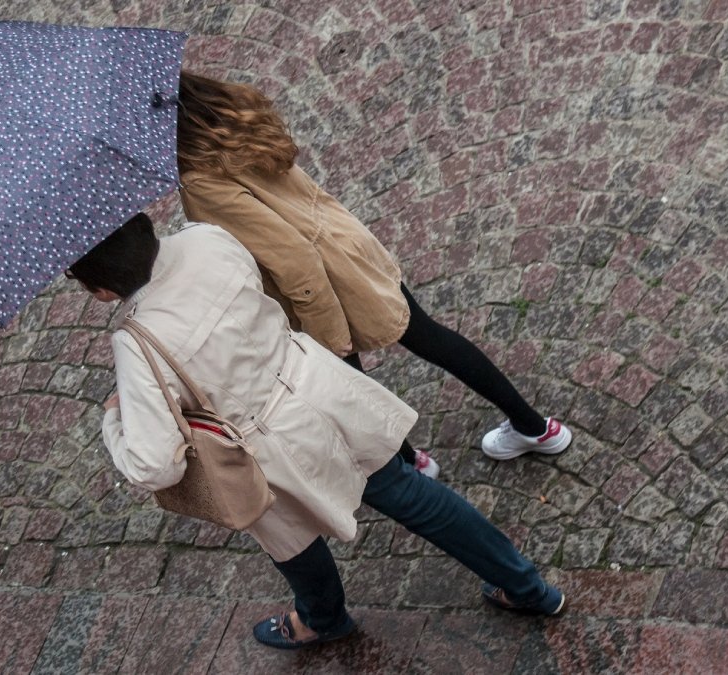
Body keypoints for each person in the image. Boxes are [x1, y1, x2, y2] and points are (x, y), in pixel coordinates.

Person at [68, 214, 565, 649]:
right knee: (409, 493)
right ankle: (527, 588)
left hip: (263, 442)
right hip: (318, 385)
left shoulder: (136, 341)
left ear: (102, 289)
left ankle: (321, 619)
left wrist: (116, 419)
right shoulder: (206, 239)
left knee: (293, 540)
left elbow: (156, 463)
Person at [173, 72, 573, 477]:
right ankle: (535, 428)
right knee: (430, 337)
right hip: (348, 248)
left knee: (356, 388)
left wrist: (324, 331)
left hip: (322, 287)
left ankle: (412, 466)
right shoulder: (233, 114)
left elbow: (292, 256)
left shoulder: (200, 180)